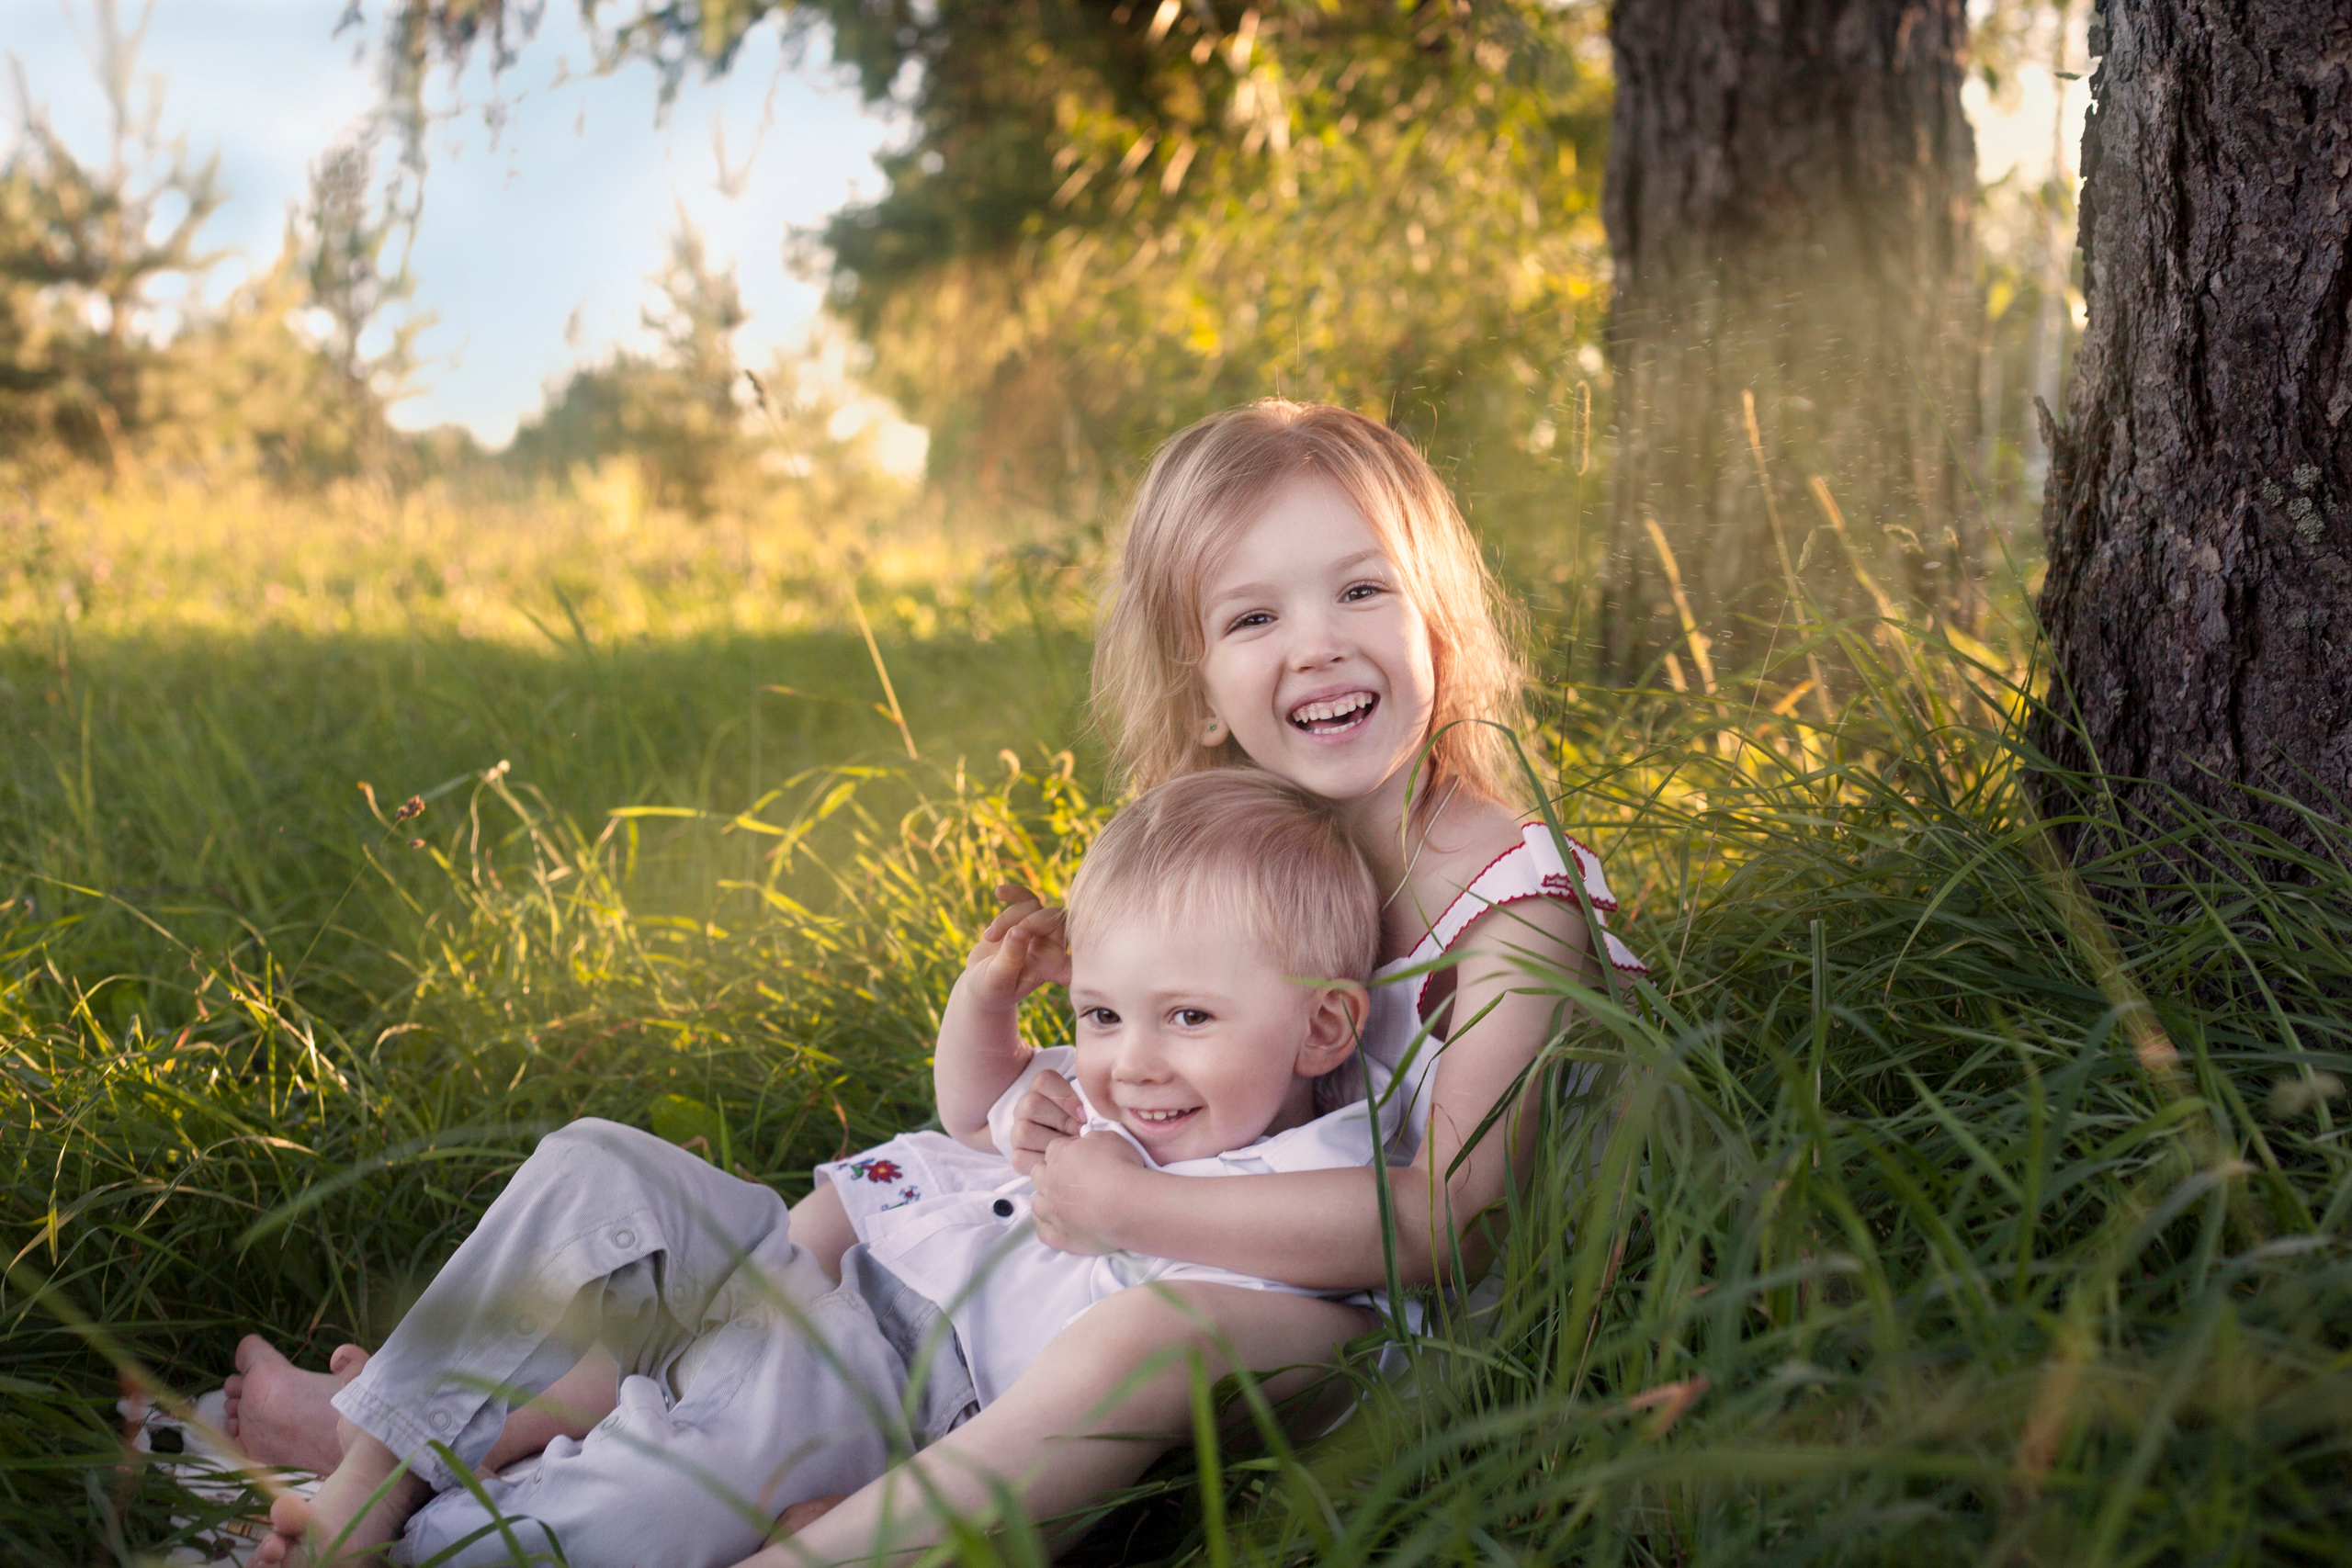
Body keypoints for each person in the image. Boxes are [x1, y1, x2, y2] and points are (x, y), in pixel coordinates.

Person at [228, 400, 1645, 1562]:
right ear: (1203, 676)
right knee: (701, 1214)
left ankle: (810, 1545)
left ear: (1438, 617)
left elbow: (1453, 1221)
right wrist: (1052, 1118)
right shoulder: (1232, 842)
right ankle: (388, 1440)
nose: (1317, 642)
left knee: (1149, 1327)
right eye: (1253, 616)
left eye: (1359, 588)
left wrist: (1122, 1195)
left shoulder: (1515, 904)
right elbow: (1061, 1094)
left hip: (1355, 1328)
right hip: (1110, 1248)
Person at [254, 768, 1396, 1566]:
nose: (1131, 1061)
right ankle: (372, 1470)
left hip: (883, 1388)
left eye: (1187, 1015)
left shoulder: (1308, 1182)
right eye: (1100, 1012)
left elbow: (1342, 1272)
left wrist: (1129, 1200)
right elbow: (971, 1103)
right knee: (597, 1165)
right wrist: (989, 996)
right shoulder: (1111, 1088)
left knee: (641, 1497)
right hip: (810, 1272)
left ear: (1323, 1031)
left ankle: (428, 1523)